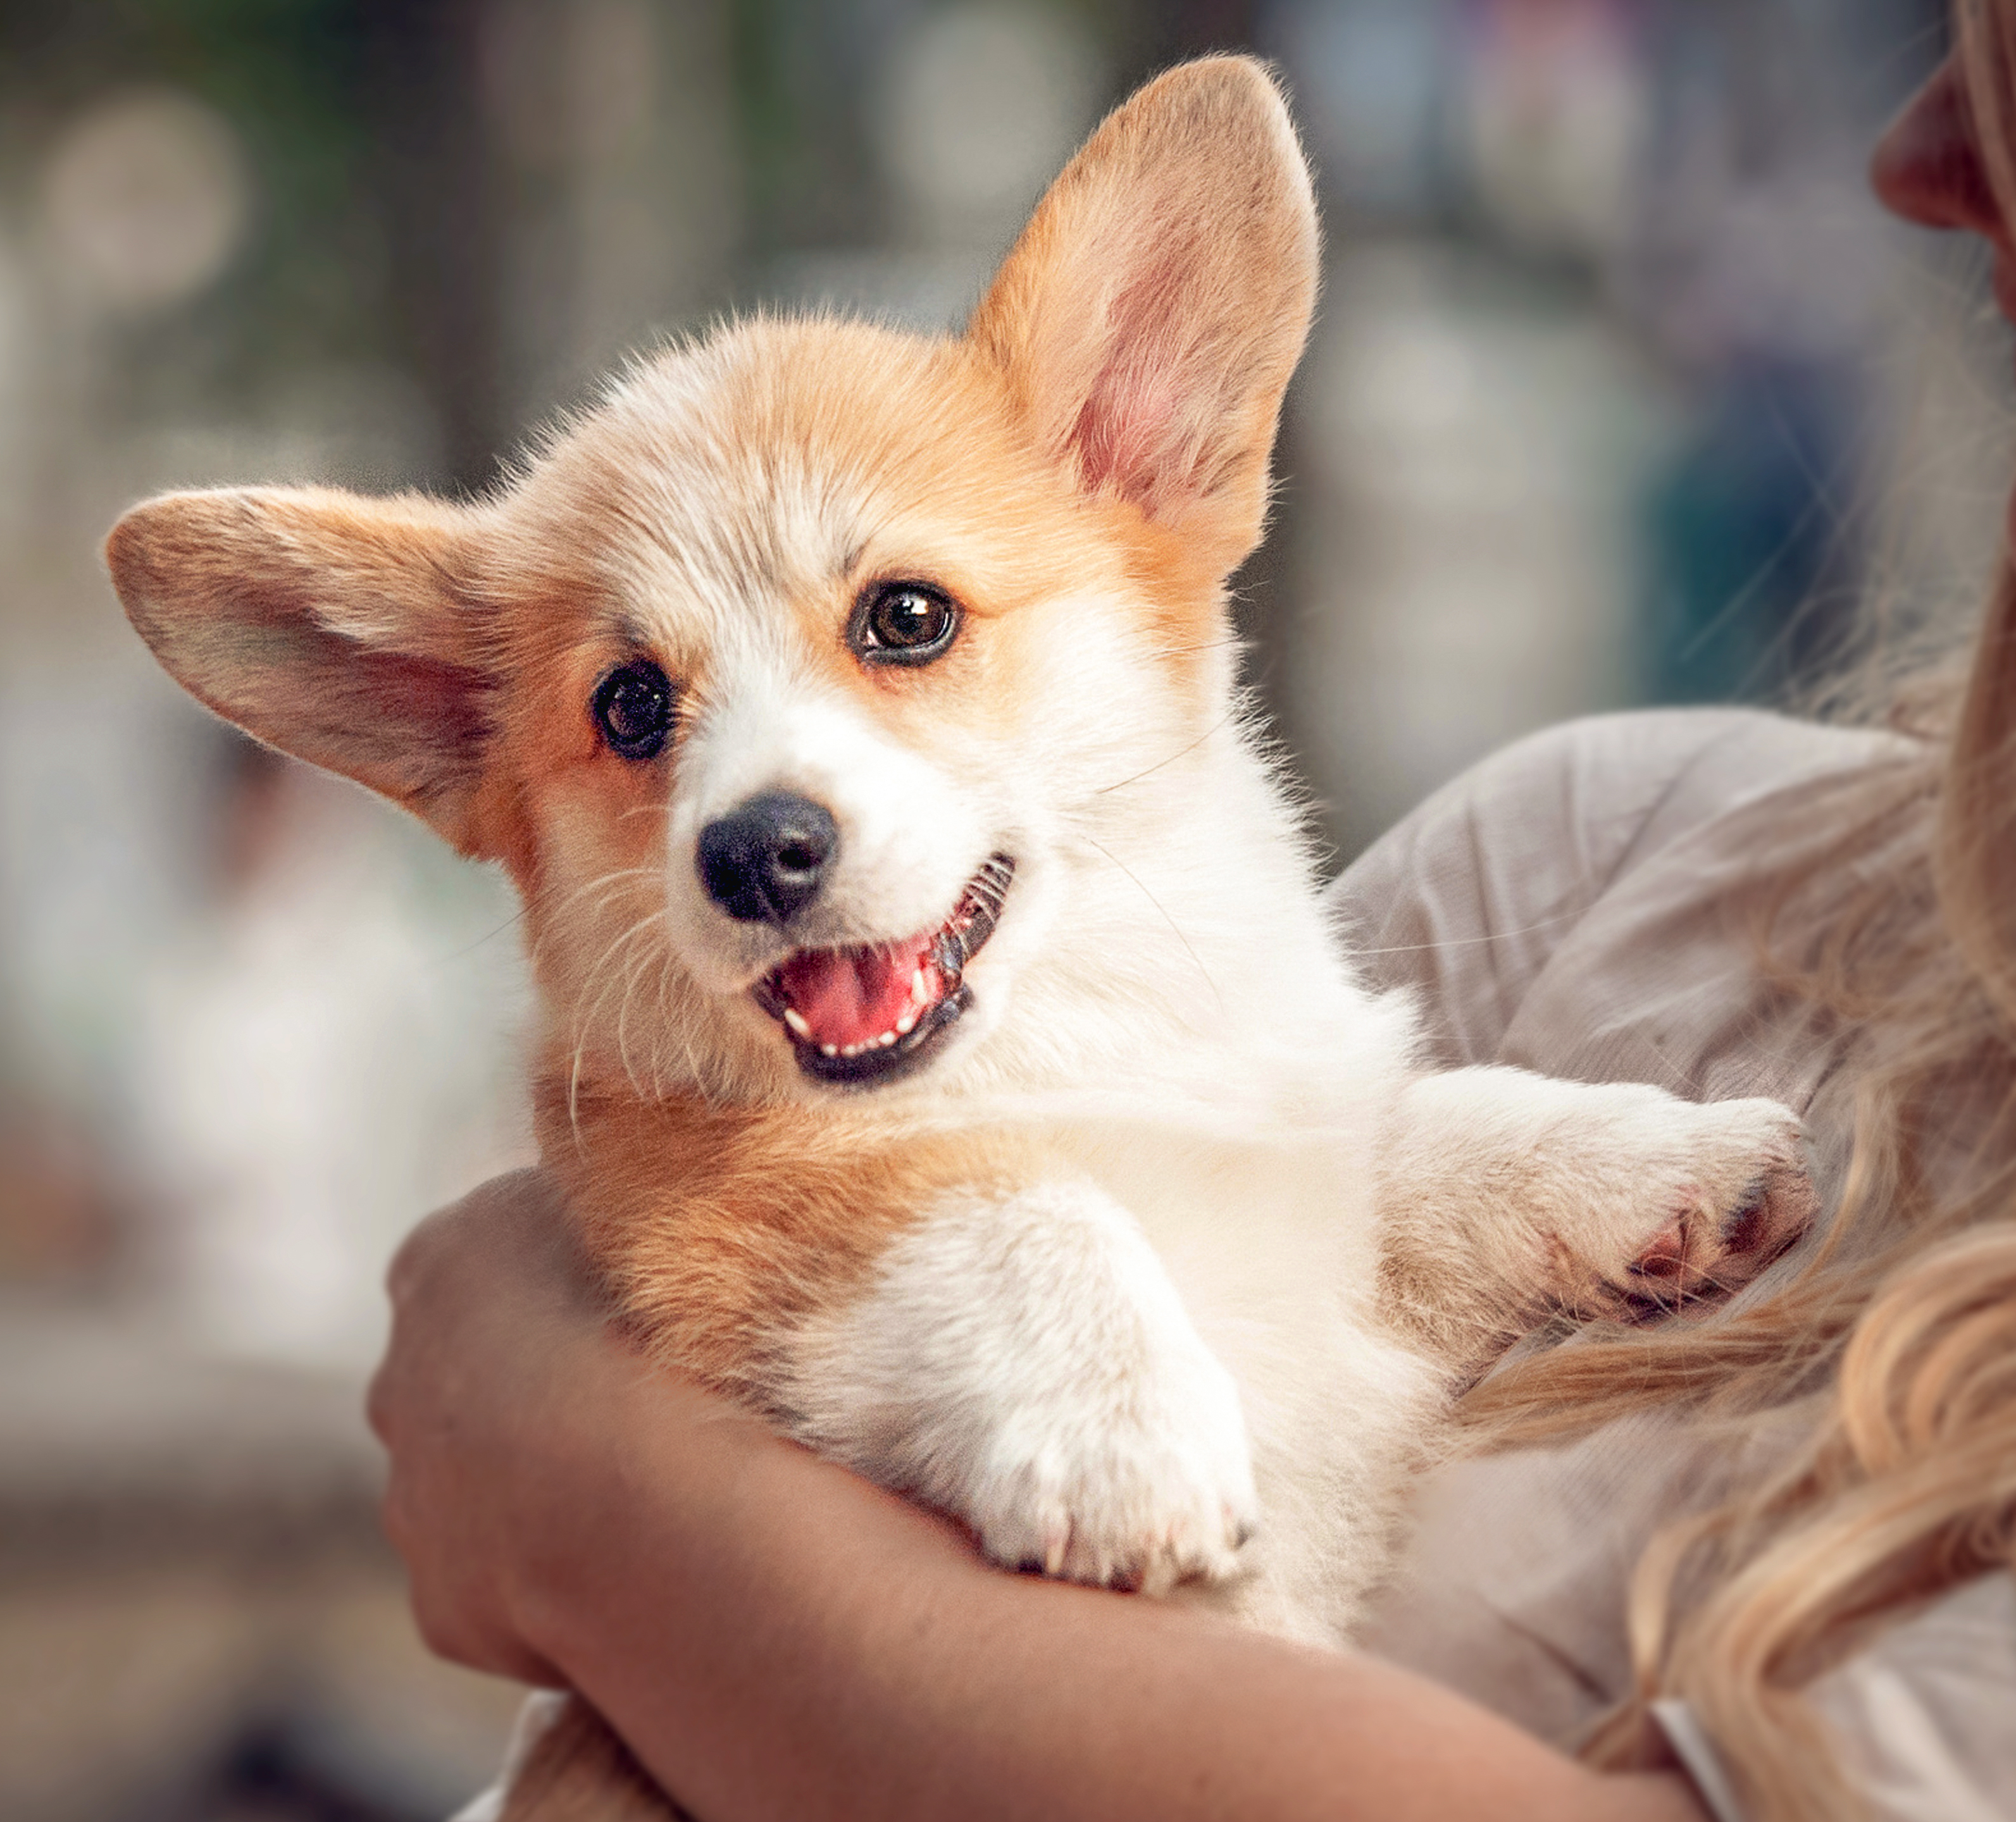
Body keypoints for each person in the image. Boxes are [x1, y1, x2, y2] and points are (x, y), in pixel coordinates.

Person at [366, 7, 2016, 1816]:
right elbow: (1256, 1238)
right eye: (635, 710)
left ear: (1141, 452)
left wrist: (592, 1498)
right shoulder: (1596, 860)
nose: (749, 807)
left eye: (904, 622)